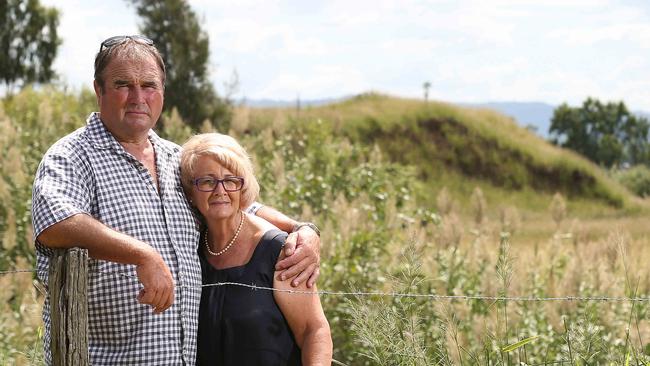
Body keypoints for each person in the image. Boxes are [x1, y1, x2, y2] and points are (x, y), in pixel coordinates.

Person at [31, 35, 321, 365]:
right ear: (99, 90)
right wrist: (143, 255)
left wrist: (304, 229)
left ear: (162, 93)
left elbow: (235, 202)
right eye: (123, 84)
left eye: (149, 85)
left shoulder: (176, 159)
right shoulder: (72, 156)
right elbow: (55, 222)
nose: (138, 97)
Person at [180, 133, 332, 365]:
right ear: (191, 192)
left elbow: (314, 331)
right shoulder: (188, 248)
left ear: (243, 187)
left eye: (231, 180)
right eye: (207, 181)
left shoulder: (279, 251)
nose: (220, 190)